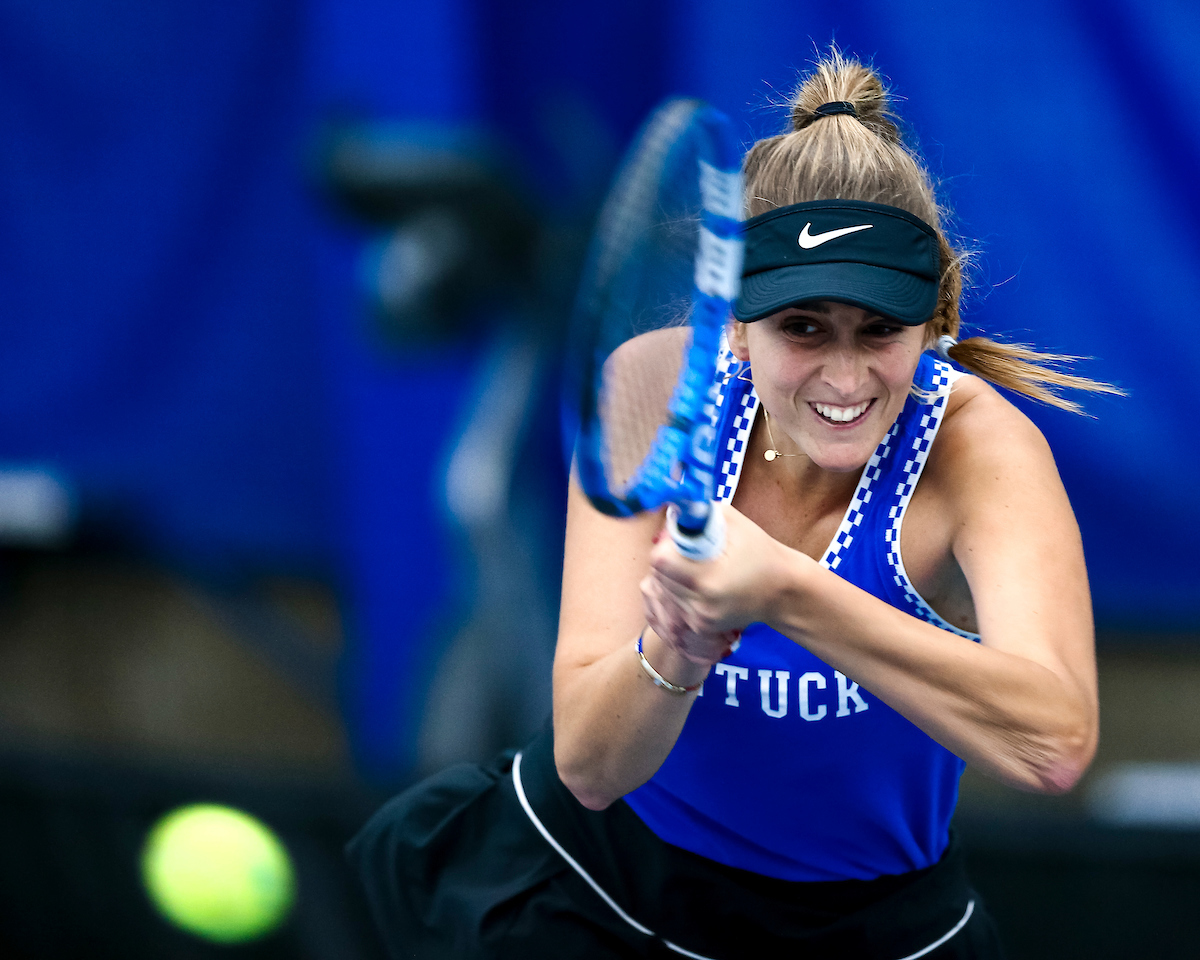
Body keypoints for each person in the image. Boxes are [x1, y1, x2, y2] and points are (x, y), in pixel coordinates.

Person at [348, 50, 1114, 960]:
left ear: (936, 319)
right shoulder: (655, 384)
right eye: (802, 326)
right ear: (739, 324)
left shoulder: (980, 448)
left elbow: (1053, 744)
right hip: (600, 893)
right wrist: (676, 646)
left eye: (880, 330)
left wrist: (783, 591)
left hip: (873, 928)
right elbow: (590, 767)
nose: (843, 375)